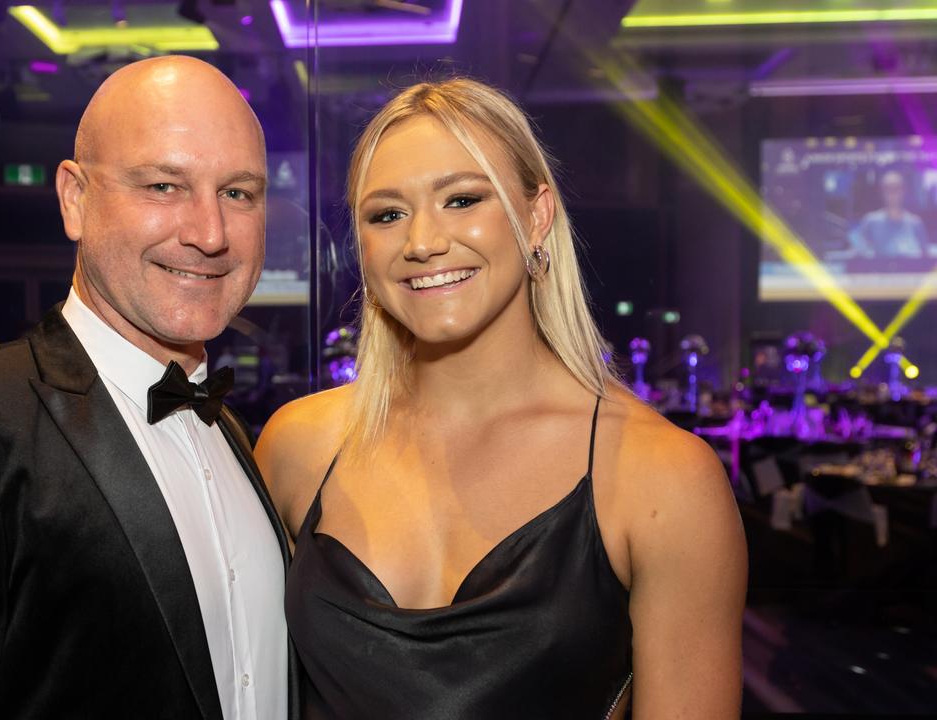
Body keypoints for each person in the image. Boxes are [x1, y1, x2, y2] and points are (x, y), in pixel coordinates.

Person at [0, 56, 294, 720]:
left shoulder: (234, 434)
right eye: (163, 186)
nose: (209, 233)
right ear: (74, 198)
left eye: (238, 193)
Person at [257, 78, 747, 718]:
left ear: (537, 214)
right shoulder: (300, 444)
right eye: (386, 214)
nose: (423, 242)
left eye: (461, 200)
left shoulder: (662, 479)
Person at [847, 170, 933, 259]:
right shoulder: (870, 221)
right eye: (888, 188)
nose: (892, 192)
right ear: (882, 192)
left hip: (909, 271)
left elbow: (926, 256)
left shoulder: (915, 223)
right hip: (880, 271)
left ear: (903, 191)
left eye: (896, 188)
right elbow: (857, 252)